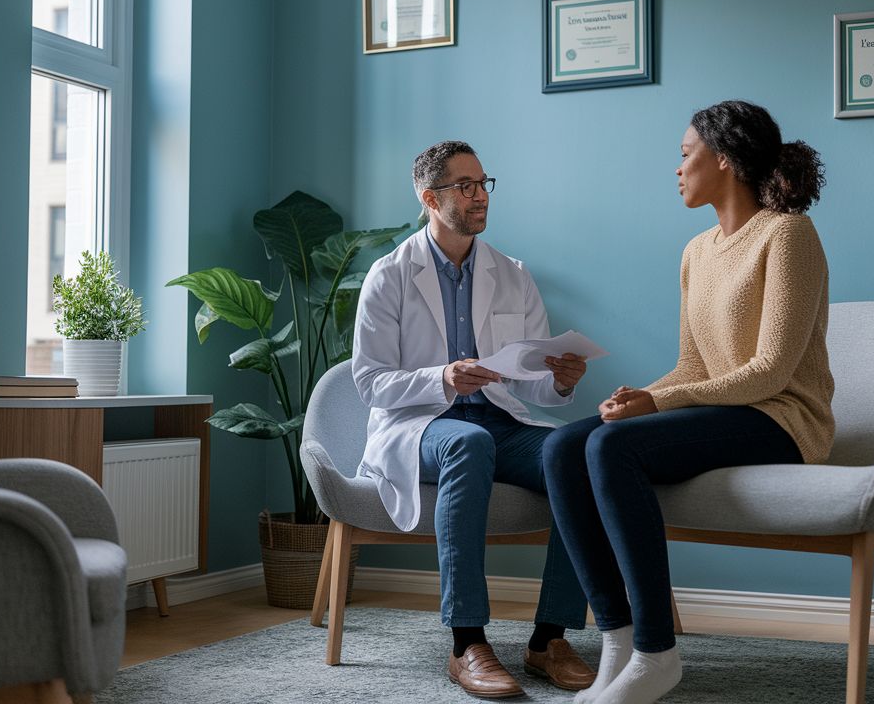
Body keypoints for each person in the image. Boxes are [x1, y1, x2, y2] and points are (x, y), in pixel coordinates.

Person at [543, 101, 834, 704]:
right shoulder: (696, 251)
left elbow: (770, 371)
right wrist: (644, 395)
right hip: (724, 410)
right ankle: (618, 638)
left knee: (614, 447)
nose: (676, 169)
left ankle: (657, 652)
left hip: (782, 418)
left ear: (724, 160)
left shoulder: (788, 235)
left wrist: (662, 401)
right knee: (562, 447)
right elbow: (696, 367)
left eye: (685, 155)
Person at [353, 140, 596, 699]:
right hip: (420, 426)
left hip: (500, 421)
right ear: (429, 198)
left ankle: (548, 640)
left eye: (484, 183)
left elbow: (526, 379)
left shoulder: (512, 273)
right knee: (468, 443)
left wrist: (559, 379)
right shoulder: (388, 276)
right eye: (465, 186)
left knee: (578, 452)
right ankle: (466, 642)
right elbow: (369, 383)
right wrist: (442, 377)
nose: (480, 195)